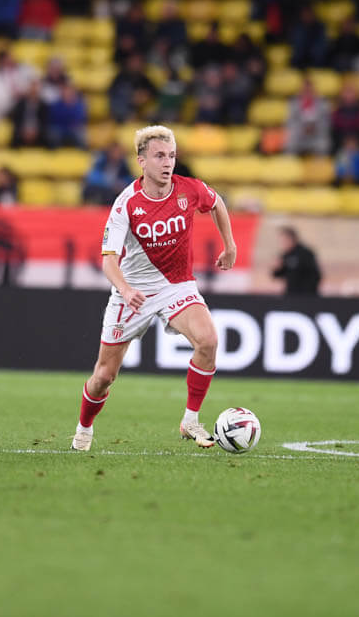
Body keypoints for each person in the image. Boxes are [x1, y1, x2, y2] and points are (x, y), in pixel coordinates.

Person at [71, 125, 238, 451]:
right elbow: (108, 261)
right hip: (132, 292)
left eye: (171, 155)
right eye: (159, 156)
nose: (167, 163)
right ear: (142, 161)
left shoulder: (188, 189)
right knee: (104, 376)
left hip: (176, 286)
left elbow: (216, 202)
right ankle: (84, 428)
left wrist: (229, 245)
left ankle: (190, 420)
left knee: (208, 341)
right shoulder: (126, 204)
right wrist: (125, 290)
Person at [272, 226, 321, 296]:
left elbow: (315, 275)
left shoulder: (305, 253)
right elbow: (278, 274)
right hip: (290, 294)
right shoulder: (285, 255)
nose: (282, 244)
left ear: (292, 239)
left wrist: (308, 292)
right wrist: (276, 268)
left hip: (305, 295)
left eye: (284, 241)